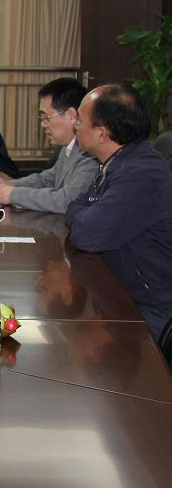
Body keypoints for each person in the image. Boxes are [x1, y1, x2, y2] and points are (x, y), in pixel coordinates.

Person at [65, 84, 172, 341]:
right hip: (123, 290)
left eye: (80, 121)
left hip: (151, 307)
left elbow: (87, 234)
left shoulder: (141, 174)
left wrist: (84, 216)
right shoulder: (118, 163)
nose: (75, 126)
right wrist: (83, 215)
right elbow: (75, 206)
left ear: (102, 133)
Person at [0, 77, 97, 213]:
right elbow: (47, 180)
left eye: (47, 117)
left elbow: (68, 201)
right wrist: (6, 186)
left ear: (71, 116)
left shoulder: (90, 153)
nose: (43, 124)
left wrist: (12, 194)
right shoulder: (69, 147)